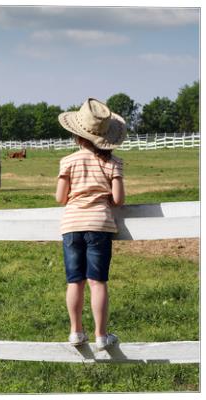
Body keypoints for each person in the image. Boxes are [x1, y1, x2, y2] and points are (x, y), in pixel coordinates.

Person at [55, 98, 126, 351]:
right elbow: (118, 200)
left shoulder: (68, 161)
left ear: (77, 135)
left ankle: (75, 331)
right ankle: (101, 335)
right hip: (100, 225)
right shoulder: (113, 163)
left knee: (75, 281)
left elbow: (60, 198)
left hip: (72, 225)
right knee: (98, 282)